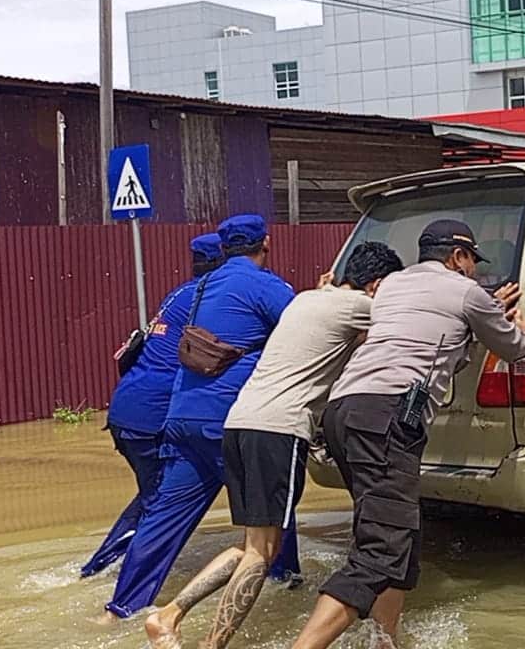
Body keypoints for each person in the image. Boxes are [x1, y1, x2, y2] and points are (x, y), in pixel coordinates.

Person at [291, 220, 525, 649]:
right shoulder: (467, 293)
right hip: (387, 417)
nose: (473, 271)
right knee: (378, 552)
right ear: (457, 256)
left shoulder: (394, 284)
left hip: (343, 413)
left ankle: (385, 640)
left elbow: (432, 323)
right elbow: (512, 347)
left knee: (399, 533)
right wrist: (520, 330)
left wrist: (483, 307)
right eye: (471, 261)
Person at [144, 242, 404, 649]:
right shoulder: (361, 305)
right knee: (262, 555)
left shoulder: (307, 300)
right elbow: (413, 314)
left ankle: (168, 616)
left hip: (240, 423)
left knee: (250, 546)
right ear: (376, 285)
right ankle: (211, 645)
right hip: (279, 431)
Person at [99, 215, 299, 623]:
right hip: (230, 422)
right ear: (267, 243)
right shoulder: (266, 285)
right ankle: (285, 581)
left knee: (162, 517)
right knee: (271, 505)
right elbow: (302, 331)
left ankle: (120, 608)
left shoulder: (196, 288)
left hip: (181, 418)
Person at [81, 234, 225, 579]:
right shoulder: (211, 298)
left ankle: (102, 567)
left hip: (127, 408)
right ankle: (114, 571)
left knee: (152, 496)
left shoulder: (177, 294)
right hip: (152, 417)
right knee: (158, 503)